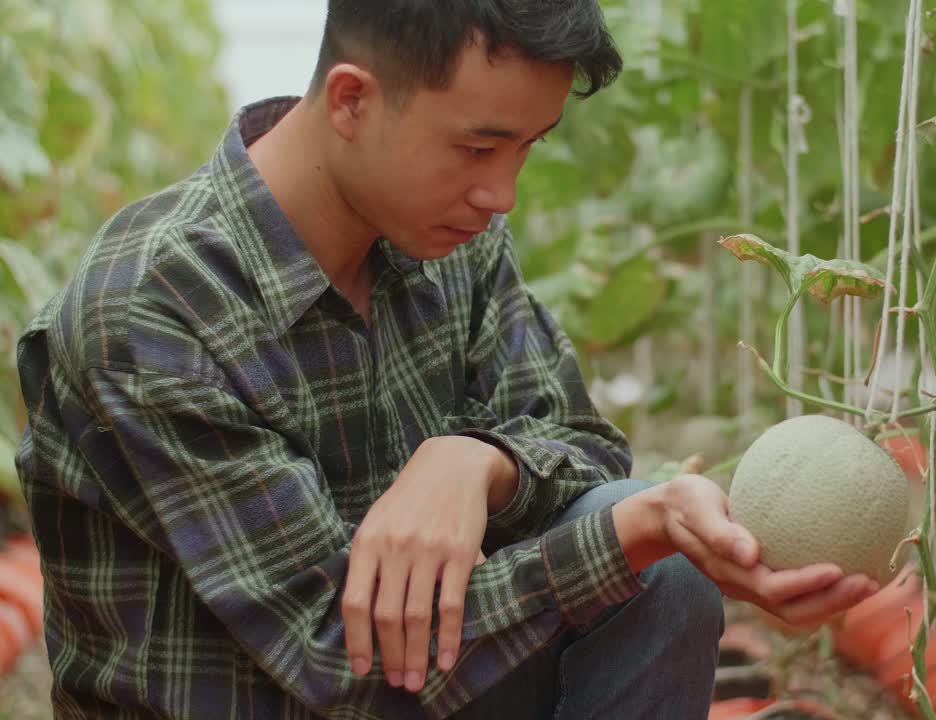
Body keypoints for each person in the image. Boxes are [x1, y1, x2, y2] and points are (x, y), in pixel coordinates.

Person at [14, 1, 879, 717]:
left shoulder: (449, 237)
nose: (500, 193)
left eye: (525, 149)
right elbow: (332, 662)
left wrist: (481, 464)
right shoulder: (152, 311)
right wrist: (638, 530)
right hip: (302, 690)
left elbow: (582, 441)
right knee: (635, 540)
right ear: (351, 100)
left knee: (658, 579)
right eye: (477, 147)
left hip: (433, 678)